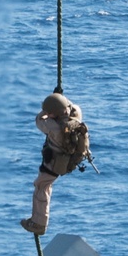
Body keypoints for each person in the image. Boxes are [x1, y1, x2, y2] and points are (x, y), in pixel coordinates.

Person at [21, 92, 87, 236]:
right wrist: (61, 101)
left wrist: (46, 111)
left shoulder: (52, 127)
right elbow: (72, 105)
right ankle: (39, 221)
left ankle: (39, 223)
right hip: (67, 161)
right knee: (46, 186)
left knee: (41, 187)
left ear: (53, 114)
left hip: (52, 165)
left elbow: (39, 120)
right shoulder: (76, 115)